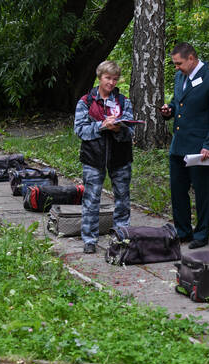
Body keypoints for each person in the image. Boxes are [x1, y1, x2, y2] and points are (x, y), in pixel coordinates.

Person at [159, 42, 209, 249]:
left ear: (191, 58)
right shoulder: (180, 76)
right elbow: (178, 103)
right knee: (178, 190)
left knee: (202, 191)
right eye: (174, 64)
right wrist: (168, 110)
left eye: (179, 63)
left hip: (200, 148)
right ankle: (183, 231)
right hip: (179, 144)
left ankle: (201, 233)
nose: (176, 67)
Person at [74, 60, 135, 254]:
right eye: (108, 78)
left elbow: (131, 131)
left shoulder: (124, 101)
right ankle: (89, 239)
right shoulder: (86, 101)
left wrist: (118, 128)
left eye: (115, 79)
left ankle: (121, 237)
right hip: (93, 157)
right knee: (91, 199)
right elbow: (80, 130)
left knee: (123, 199)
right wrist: (102, 126)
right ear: (100, 77)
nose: (111, 83)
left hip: (120, 157)